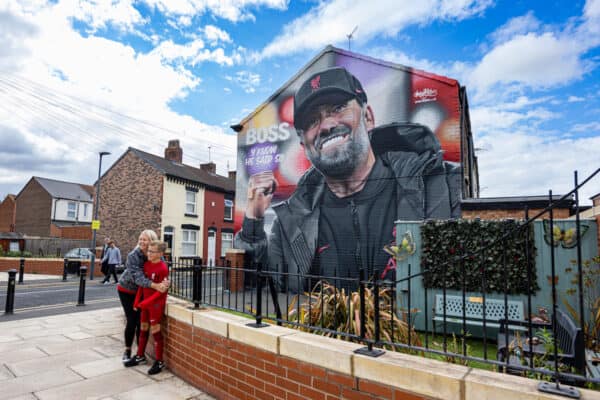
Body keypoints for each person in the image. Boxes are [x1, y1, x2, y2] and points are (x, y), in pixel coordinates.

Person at [235, 67, 461, 292]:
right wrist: (253, 220)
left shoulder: (440, 186)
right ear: (304, 146)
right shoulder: (288, 223)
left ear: (368, 118)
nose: (326, 125)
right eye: (313, 121)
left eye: (338, 108)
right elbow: (260, 291)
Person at [117, 229, 169, 363]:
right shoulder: (133, 256)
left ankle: (140, 354)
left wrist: (165, 282)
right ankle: (127, 350)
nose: (141, 241)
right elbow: (138, 278)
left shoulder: (156, 253)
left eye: (144, 239)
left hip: (143, 292)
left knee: (142, 322)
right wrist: (156, 286)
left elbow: (162, 269)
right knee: (132, 320)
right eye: (140, 239)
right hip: (127, 290)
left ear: (151, 241)